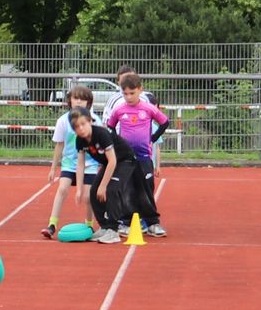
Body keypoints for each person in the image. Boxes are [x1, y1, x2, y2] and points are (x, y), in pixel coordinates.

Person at [102, 71, 169, 237]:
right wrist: (118, 142)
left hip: (144, 157)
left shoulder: (148, 108)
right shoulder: (119, 110)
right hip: (126, 159)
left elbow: (164, 122)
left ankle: (152, 222)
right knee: (127, 189)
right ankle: (127, 222)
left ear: (140, 90)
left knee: (146, 188)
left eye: (132, 93)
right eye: (125, 94)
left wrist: (153, 138)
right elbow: (110, 126)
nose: (129, 97)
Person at [71, 108, 148, 244]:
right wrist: (79, 189)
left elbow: (113, 161)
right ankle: (105, 226)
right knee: (94, 192)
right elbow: (80, 165)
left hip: (125, 160)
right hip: (109, 163)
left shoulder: (101, 134)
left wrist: (103, 185)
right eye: (77, 126)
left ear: (90, 121)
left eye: (83, 124)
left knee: (111, 189)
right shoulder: (80, 140)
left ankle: (113, 230)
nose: (81, 129)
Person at [42, 85, 100, 238]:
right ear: (70, 101)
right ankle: (52, 225)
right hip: (69, 163)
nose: (79, 102)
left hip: (90, 164)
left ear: (89, 102)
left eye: (83, 99)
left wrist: (102, 164)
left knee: (88, 196)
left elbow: (101, 143)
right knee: (62, 189)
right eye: (76, 98)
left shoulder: (95, 120)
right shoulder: (63, 121)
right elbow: (59, 145)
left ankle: (89, 225)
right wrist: (53, 168)